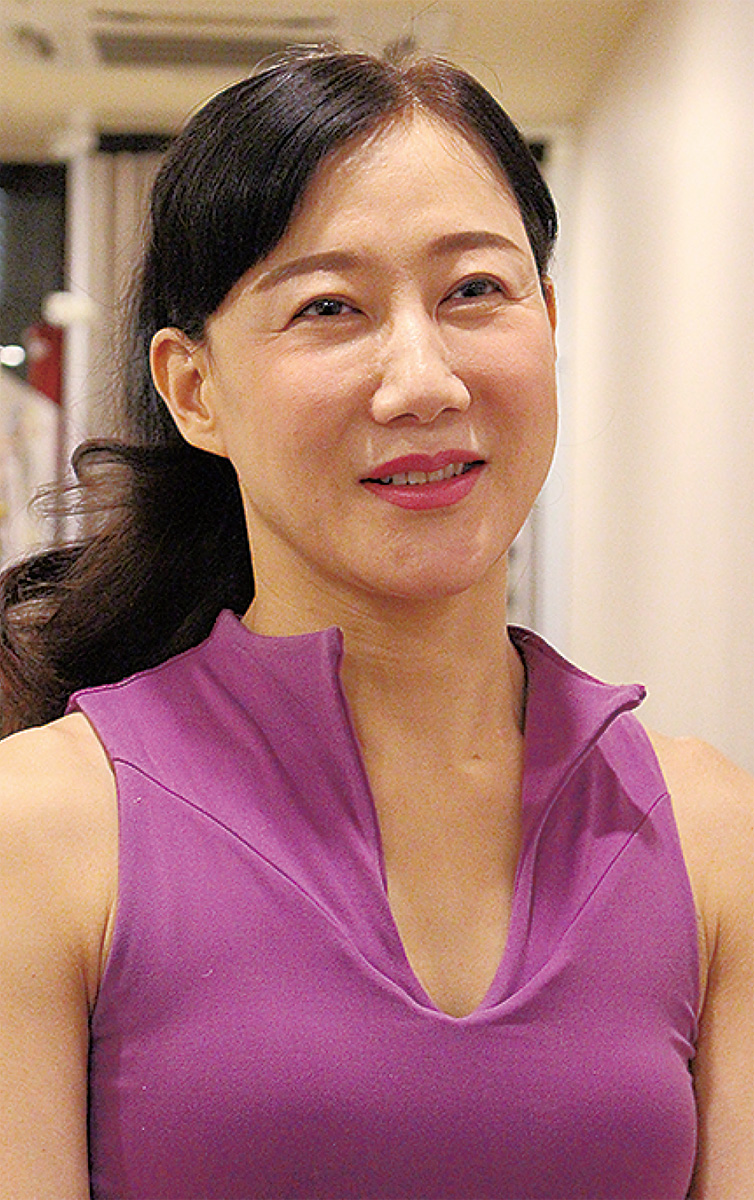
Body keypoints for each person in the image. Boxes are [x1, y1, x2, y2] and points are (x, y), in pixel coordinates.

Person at [0, 46, 751, 1200]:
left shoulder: (709, 835)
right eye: (329, 308)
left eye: (474, 291)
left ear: (548, 321)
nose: (423, 382)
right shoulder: (43, 832)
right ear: (195, 390)